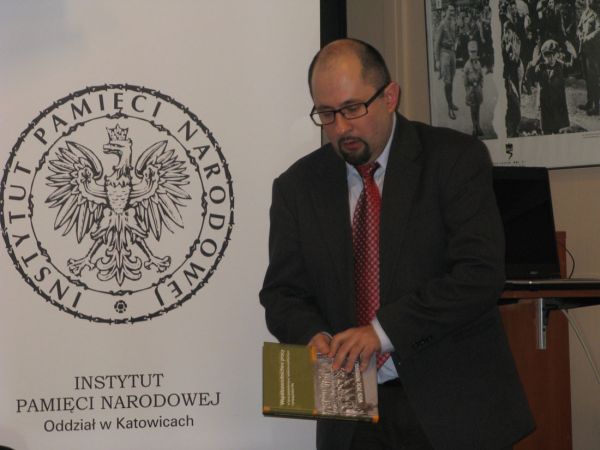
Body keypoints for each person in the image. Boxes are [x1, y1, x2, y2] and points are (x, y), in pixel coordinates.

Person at [260, 38, 534, 450]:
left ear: (390, 96)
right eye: (326, 114)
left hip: (452, 410)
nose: (341, 128)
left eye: (353, 108)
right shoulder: (296, 188)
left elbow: (479, 274)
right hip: (351, 415)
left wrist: (381, 332)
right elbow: (283, 294)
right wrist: (312, 334)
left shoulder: (453, 159)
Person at [526, 39, 571, 134]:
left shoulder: (561, 66)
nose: (550, 58)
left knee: (559, 132)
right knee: (546, 132)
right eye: (547, 56)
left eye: (553, 55)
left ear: (557, 55)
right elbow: (529, 77)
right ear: (543, 56)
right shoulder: (540, 68)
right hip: (545, 107)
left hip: (558, 107)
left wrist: (573, 55)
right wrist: (533, 63)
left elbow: (573, 67)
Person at [434, 5, 459, 119]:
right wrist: (437, 60)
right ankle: (450, 109)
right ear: (446, 11)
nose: (452, 12)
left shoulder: (453, 23)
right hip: (444, 53)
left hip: (452, 52)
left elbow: (456, 35)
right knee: (447, 82)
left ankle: (451, 102)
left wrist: (456, 43)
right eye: (450, 10)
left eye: (453, 11)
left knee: (451, 79)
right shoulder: (442, 25)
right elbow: (436, 43)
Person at [577, 0, 600, 115]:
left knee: (593, 79)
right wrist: (579, 33)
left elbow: (599, 30)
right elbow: (579, 27)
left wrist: (588, 37)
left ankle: (597, 107)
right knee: (587, 77)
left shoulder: (596, 14)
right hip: (584, 50)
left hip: (593, 51)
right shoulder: (584, 13)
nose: (588, 1)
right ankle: (590, 103)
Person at [463, 40, 485, 137]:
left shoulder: (478, 64)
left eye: (475, 51)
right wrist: (468, 90)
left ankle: (478, 126)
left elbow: (481, 76)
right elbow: (465, 81)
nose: (473, 54)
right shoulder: (467, 65)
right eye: (471, 52)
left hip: (478, 90)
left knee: (478, 108)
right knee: (473, 109)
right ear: (468, 52)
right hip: (471, 90)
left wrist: (480, 85)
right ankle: (474, 127)